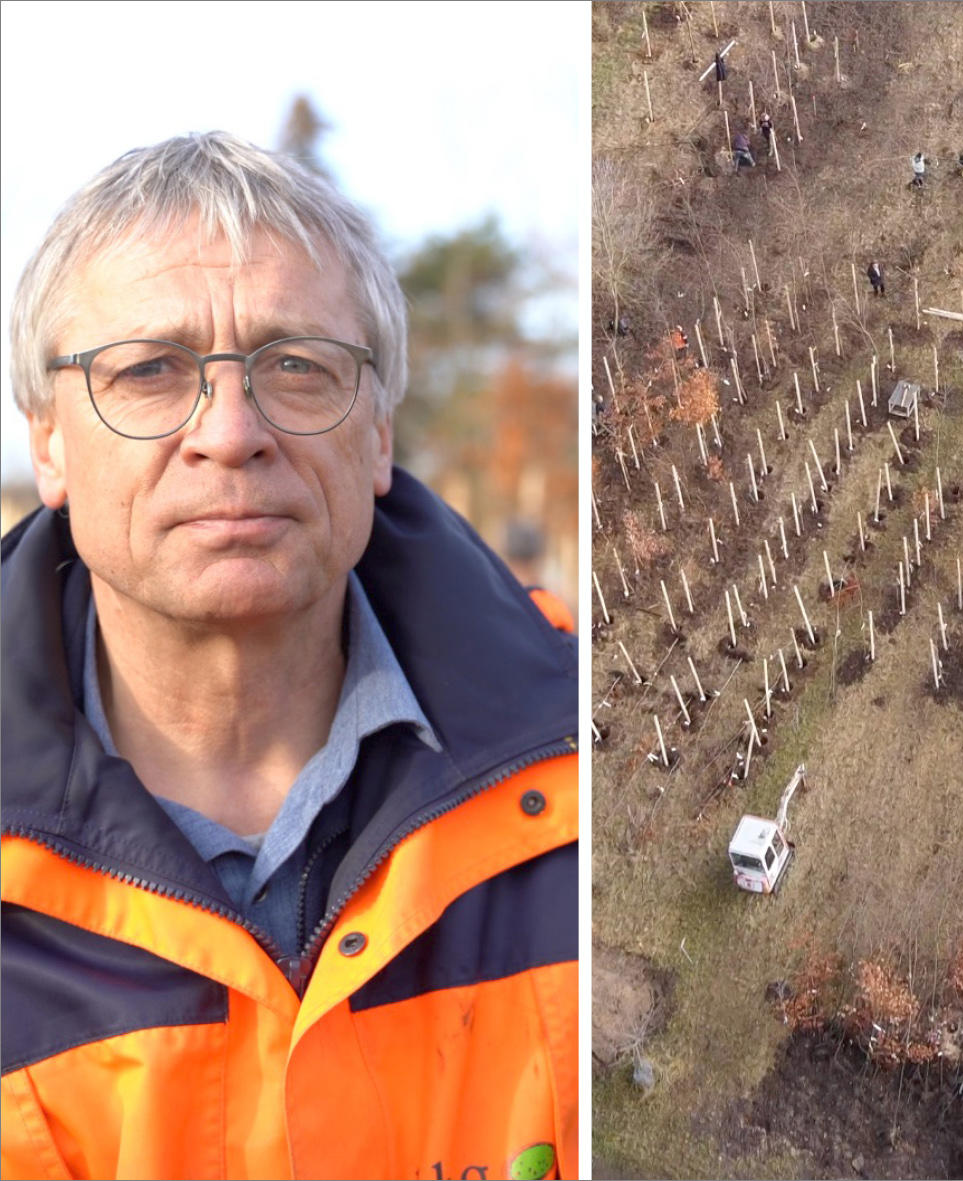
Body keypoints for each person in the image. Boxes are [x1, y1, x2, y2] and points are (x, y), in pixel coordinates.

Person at [0, 133, 578, 1179]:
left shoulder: (579, 763)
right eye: (148, 371)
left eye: (297, 366)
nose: (230, 433)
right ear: (48, 441)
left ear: (380, 431)